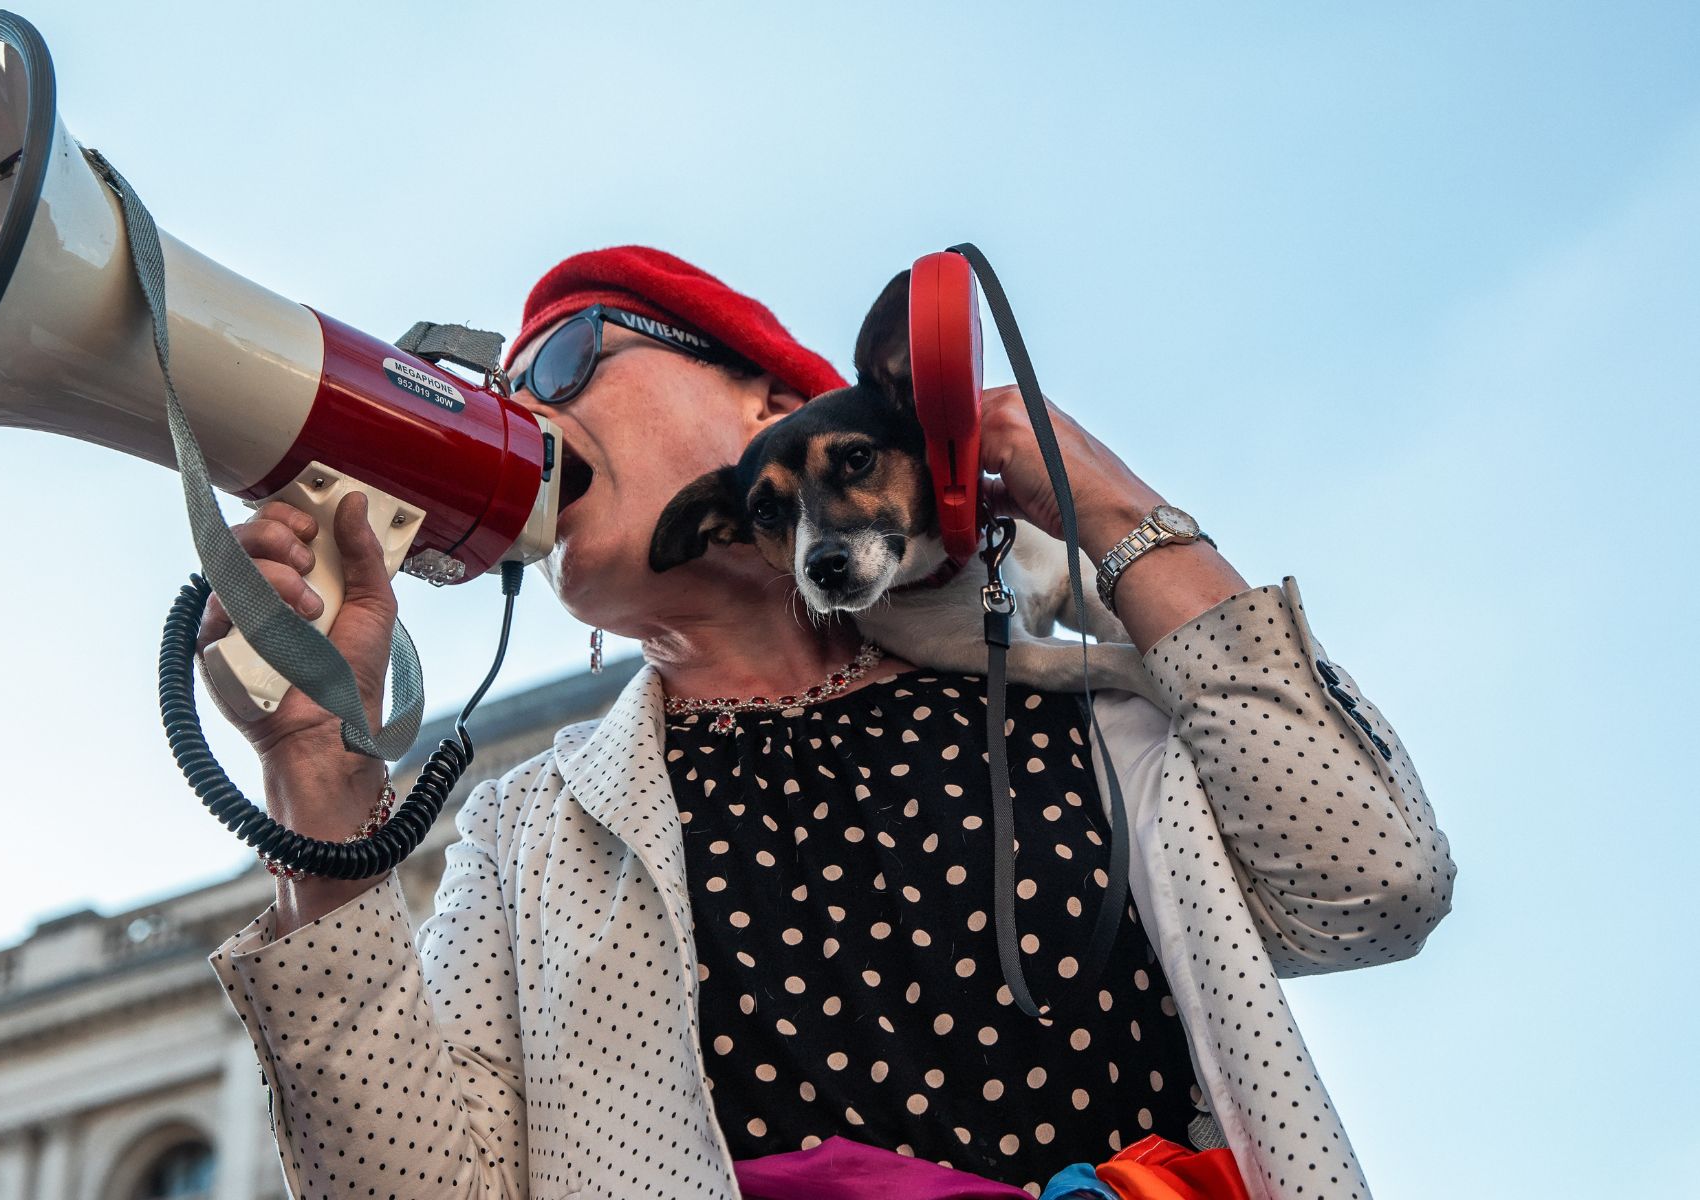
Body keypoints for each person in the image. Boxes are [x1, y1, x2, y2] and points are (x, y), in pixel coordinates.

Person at [201, 246, 1455, 1199]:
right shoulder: (528, 835)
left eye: (571, 362)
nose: (526, 414)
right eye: (505, 396)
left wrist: (1096, 495)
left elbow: (1371, 879)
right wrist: (320, 783)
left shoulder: (1071, 705)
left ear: (765, 407)